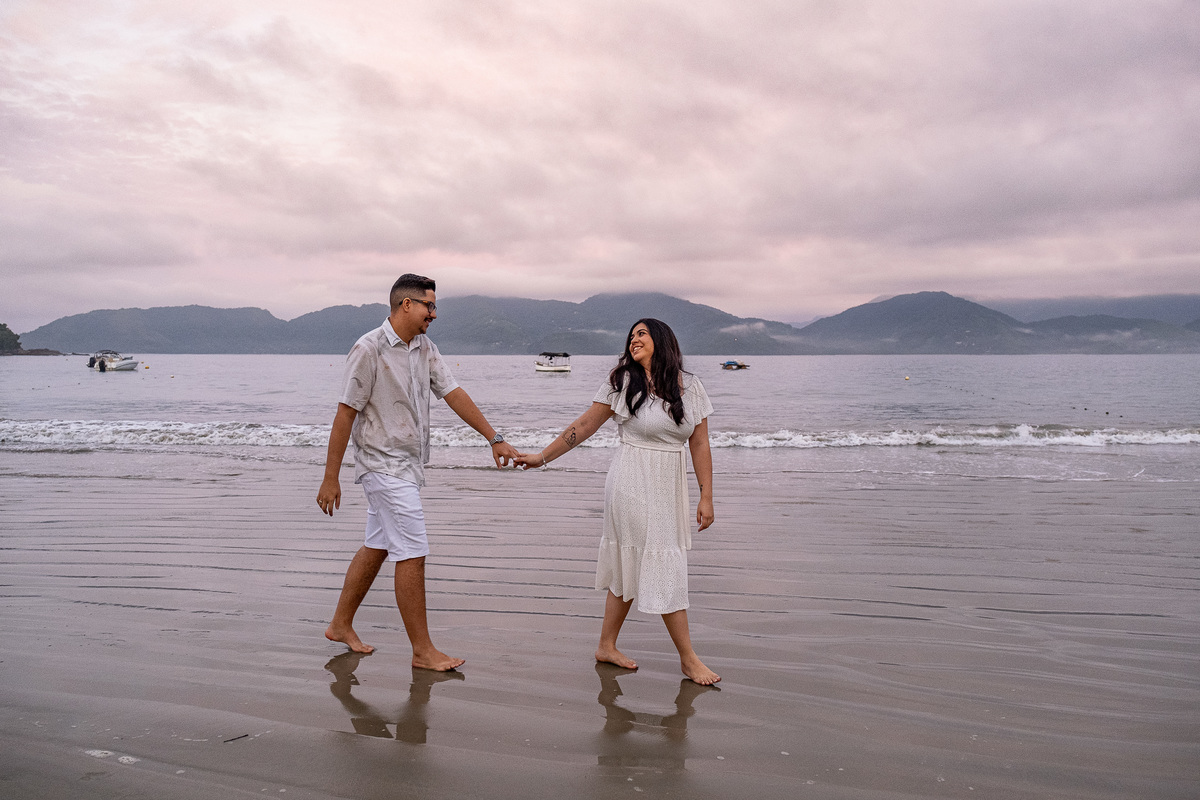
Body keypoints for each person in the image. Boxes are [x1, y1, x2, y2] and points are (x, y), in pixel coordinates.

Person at [317, 273, 520, 670]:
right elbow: (345, 414)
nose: (434, 313)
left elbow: (453, 392)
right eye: (429, 305)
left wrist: (493, 437)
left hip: (407, 465)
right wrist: (330, 477)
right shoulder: (368, 348)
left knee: (378, 545)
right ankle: (423, 651)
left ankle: (340, 624)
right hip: (381, 464)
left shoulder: (424, 347)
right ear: (405, 304)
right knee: (413, 551)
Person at [515, 318, 720, 685]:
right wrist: (540, 457)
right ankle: (688, 659)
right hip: (631, 482)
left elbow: (699, 443)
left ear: (662, 340)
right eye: (631, 335)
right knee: (663, 562)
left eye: (641, 333)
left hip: (668, 485)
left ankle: (606, 646)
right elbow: (584, 426)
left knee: (635, 562)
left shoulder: (691, 387)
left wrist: (706, 495)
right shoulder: (623, 382)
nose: (633, 339)